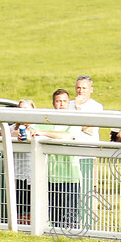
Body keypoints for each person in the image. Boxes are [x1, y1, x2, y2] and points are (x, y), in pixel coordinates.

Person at [33, 89, 86, 228]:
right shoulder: (47, 120)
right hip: (51, 178)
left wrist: (43, 133)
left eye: (64, 101)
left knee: (70, 221)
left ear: (69, 103)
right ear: (53, 103)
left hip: (70, 178)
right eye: (58, 101)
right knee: (55, 220)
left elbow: (68, 136)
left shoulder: (73, 120)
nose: (61, 104)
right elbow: (32, 130)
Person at [69, 75, 103, 140]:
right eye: (78, 88)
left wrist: (77, 107)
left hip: (88, 142)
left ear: (91, 90)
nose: (80, 91)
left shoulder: (96, 107)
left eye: (84, 88)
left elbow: (87, 129)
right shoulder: (69, 104)